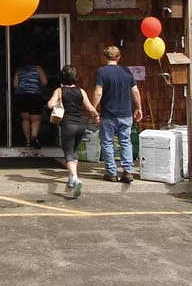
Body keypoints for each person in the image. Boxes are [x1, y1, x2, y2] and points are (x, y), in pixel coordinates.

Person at [91, 46, 143, 183]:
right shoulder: (126, 72)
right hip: (126, 113)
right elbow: (135, 92)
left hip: (108, 114)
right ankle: (128, 171)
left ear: (104, 57)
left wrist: (92, 108)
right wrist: (138, 107)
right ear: (118, 57)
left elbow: (98, 92)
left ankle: (112, 173)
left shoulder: (102, 72)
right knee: (126, 141)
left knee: (107, 143)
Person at [48, 65, 98, 196]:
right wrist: (96, 116)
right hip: (81, 125)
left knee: (68, 153)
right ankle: (71, 178)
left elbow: (50, 104)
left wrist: (58, 102)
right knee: (74, 151)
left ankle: (75, 178)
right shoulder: (81, 91)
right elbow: (90, 108)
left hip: (68, 126)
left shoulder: (59, 91)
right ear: (74, 78)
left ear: (61, 78)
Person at [11, 53, 49, 148]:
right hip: (35, 95)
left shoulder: (19, 70)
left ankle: (27, 141)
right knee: (35, 119)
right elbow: (44, 82)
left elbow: (15, 85)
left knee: (25, 118)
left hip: (21, 96)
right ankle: (34, 137)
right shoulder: (38, 69)